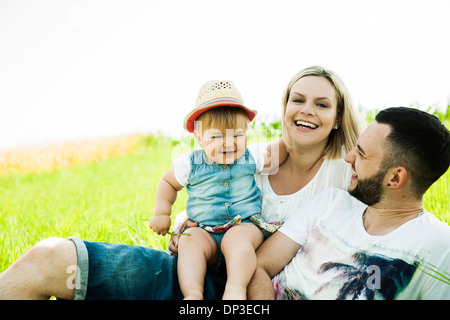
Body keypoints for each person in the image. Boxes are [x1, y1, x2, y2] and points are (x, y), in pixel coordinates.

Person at [0, 66, 365, 299]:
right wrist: (180, 221)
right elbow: (198, 190)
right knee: (49, 257)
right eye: (297, 100)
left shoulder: (345, 174)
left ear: (337, 118)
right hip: (197, 275)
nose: (305, 110)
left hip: (267, 292)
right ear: (284, 107)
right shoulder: (245, 155)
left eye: (321, 104)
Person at [248, 107, 450, 300]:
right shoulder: (330, 202)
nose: (348, 157)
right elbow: (258, 266)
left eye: (361, 154)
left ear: (395, 178)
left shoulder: (438, 248)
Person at [149, 80, 287, 300]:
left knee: (238, 240)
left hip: (244, 225)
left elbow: (281, 151)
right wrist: (161, 214)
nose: (228, 143)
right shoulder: (190, 164)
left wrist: (291, 139)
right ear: (199, 138)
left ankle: (235, 290)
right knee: (189, 240)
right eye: (217, 136)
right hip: (206, 231)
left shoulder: (250, 158)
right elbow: (168, 182)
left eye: (237, 135)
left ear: (247, 135)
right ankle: (193, 294)